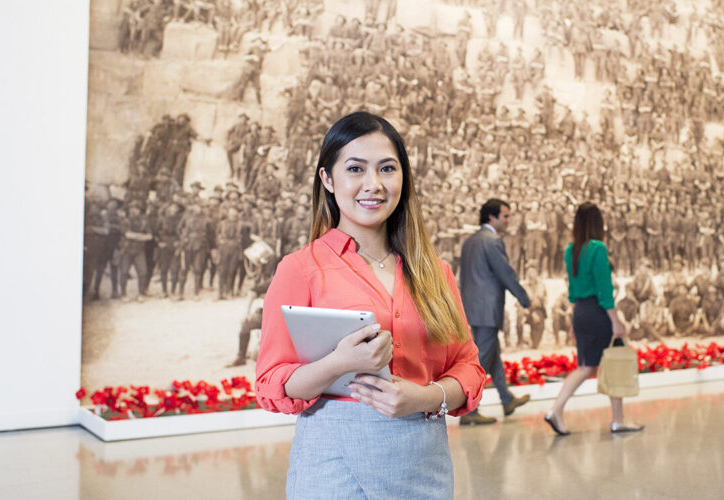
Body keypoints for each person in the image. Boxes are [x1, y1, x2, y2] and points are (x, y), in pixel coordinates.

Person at [255, 112, 485, 499]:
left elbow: (469, 369)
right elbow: (271, 385)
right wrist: (340, 364)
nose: (373, 185)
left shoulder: (435, 272)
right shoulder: (301, 269)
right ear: (328, 179)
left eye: (387, 169)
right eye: (356, 169)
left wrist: (425, 397)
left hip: (422, 466)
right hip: (332, 470)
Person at [544, 202, 643, 435]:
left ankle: (556, 410)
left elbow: (572, 290)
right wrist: (615, 321)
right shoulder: (597, 248)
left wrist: (572, 321)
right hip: (598, 312)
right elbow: (604, 290)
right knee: (613, 361)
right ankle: (617, 420)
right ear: (598, 222)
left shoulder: (572, 249)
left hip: (580, 312)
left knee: (586, 367)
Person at [458, 198, 532, 426]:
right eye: (506, 216)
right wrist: (525, 298)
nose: (509, 221)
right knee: (481, 360)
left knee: (493, 356)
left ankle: (506, 399)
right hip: (488, 309)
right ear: (492, 217)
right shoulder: (492, 241)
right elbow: (505, 273)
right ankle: (470, 410)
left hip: (474, 308)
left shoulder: (470, 241)